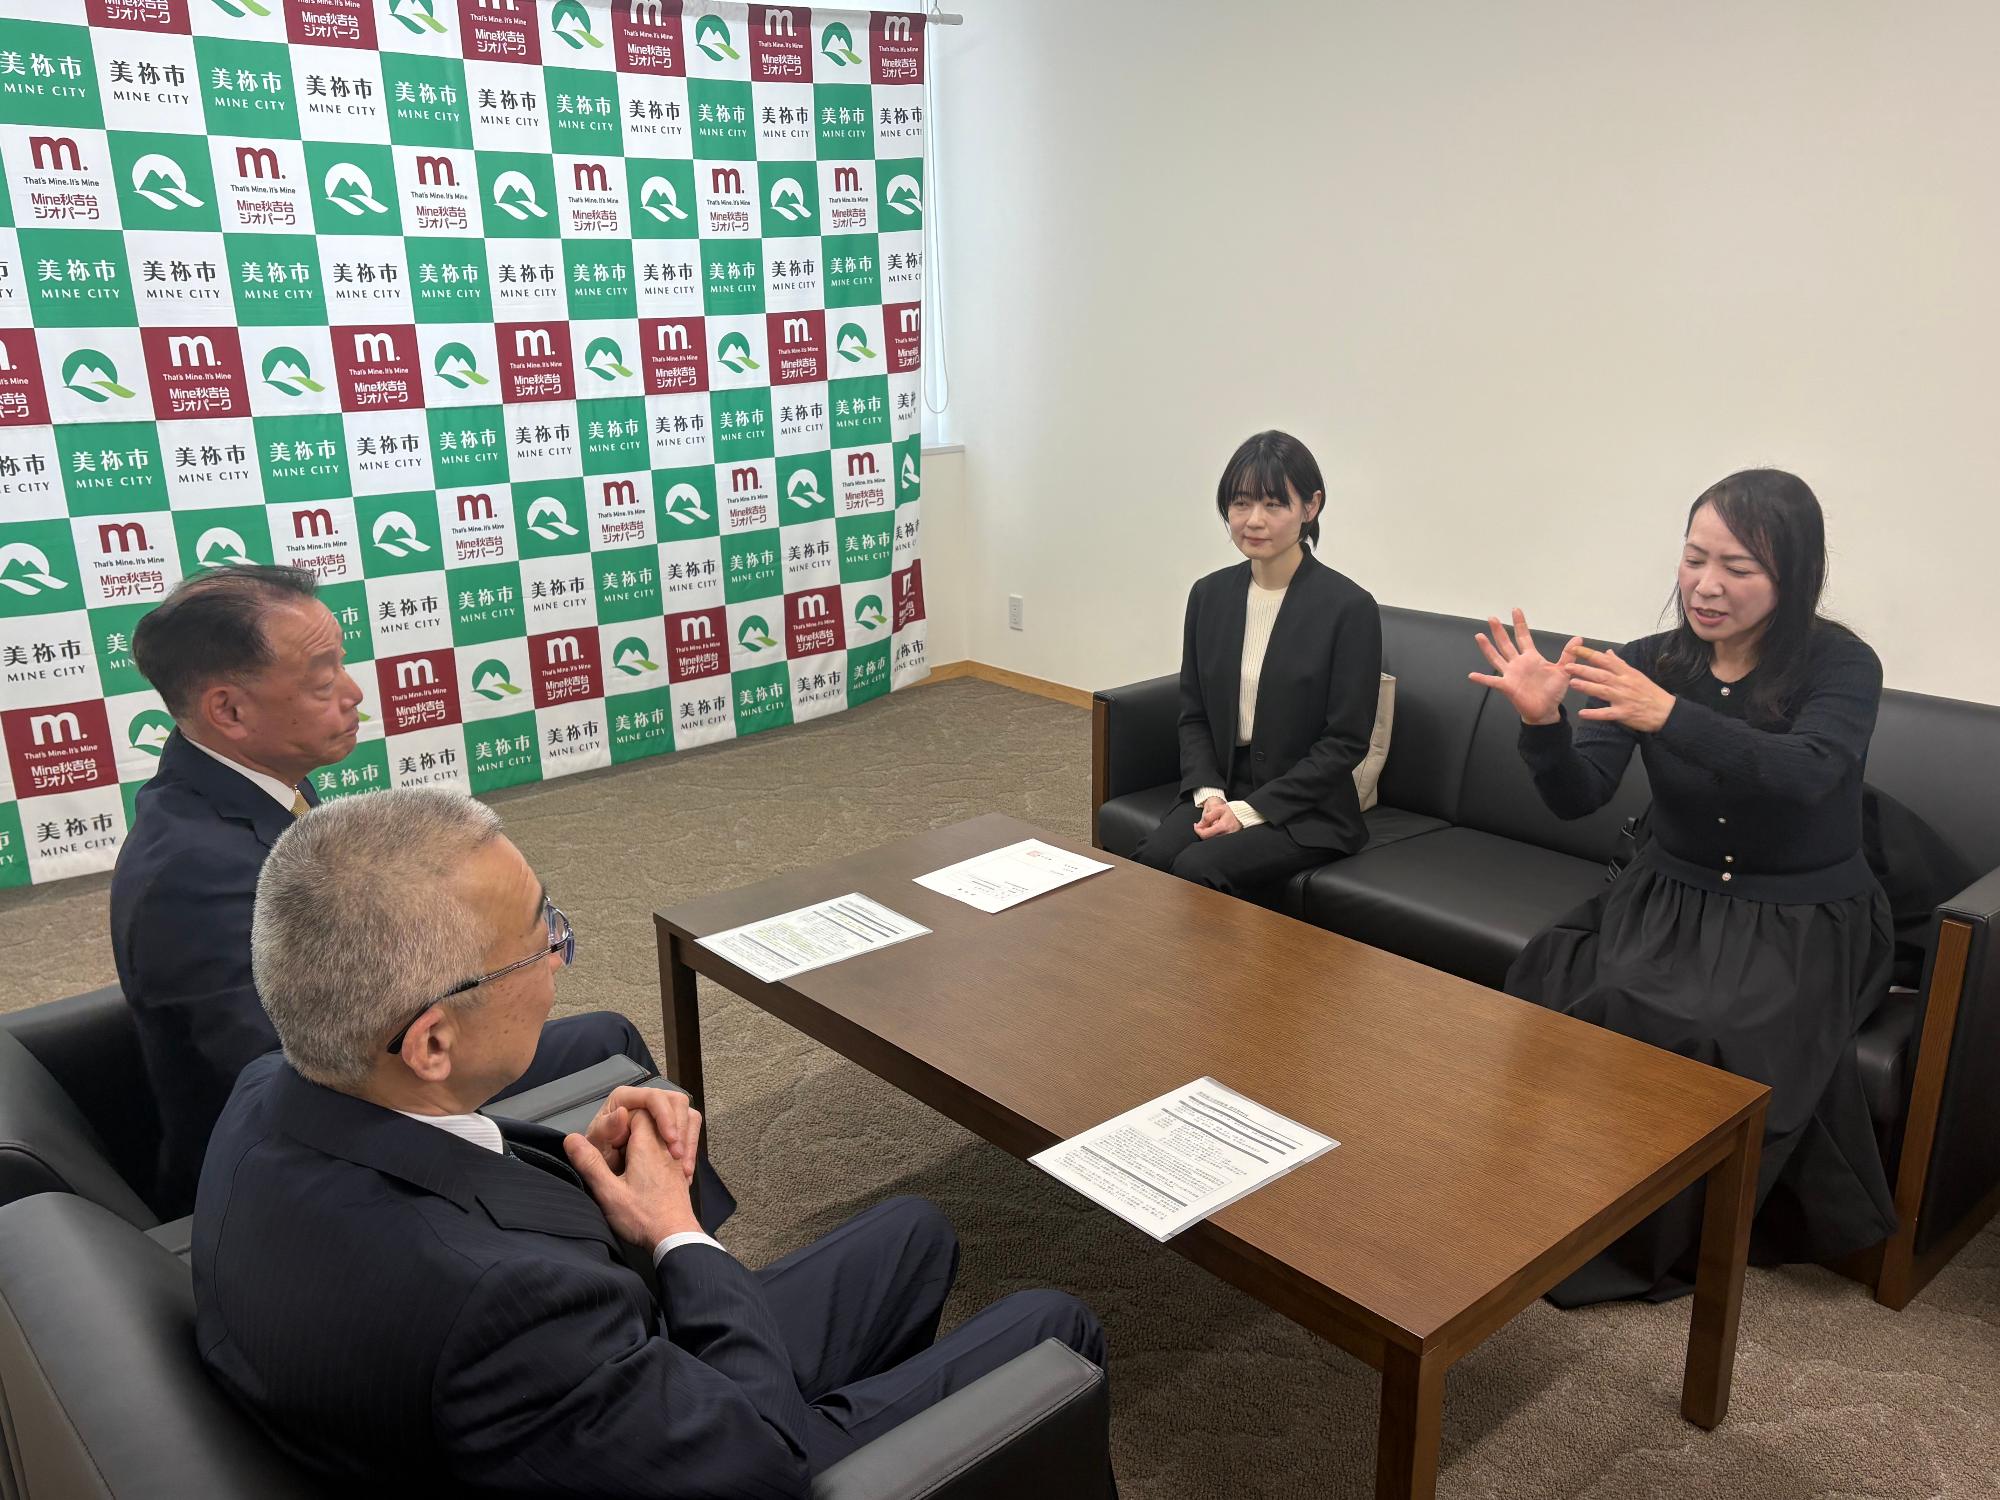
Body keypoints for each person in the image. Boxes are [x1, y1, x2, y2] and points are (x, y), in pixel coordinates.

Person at [194, 789, 1111, 1494]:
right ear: (432, 1041)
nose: (559, 955)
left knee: (916, 1229)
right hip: (717, 1451)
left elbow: (454, 1181)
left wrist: (588, 1178)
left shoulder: (267, 1093)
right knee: (1051, 1327)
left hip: (587, 1409)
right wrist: (678, 1236)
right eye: (541, 939)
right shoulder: (500, 1309)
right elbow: (755, 1462)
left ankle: (903, 1422)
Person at [110, 565, 678, 1218]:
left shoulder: (255, 788)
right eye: (323, 680)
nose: (354, 693)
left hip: (361, 1071)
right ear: (229, 710)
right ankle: (673, 1258)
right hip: (302, 1169)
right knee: (598, 1043)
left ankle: (669, 1245)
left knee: (607, 1036)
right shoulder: (189, 874)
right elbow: (309, 1084)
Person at [1471, 469, 1898, 1304]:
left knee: (1709, 1029)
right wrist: (1539, 724)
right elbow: (1577, 798)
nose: (1707, 585)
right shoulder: (1648, 662)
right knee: (1577, 988)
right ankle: (1562, 1197)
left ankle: (1650, 1236)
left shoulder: (1841, 664)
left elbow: (1809, 771)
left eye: (1739, 567)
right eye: (1696, 557)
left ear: (1794, 575)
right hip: (1672, 893)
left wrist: (1669, 716)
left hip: (1801, 914)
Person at [1134, 430, 1383, 895]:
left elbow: (1345, 743)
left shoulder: (1348, 608)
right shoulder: (1209, 595)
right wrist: (1209, 794)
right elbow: (1194, 714)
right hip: (1223, 788)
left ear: (1310, 507)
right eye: (1241, 503)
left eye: (1274, 505)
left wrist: (1248, 812)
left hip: (1308, 810)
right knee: (1151, 860)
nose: (1254, 521)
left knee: (1198, 869)